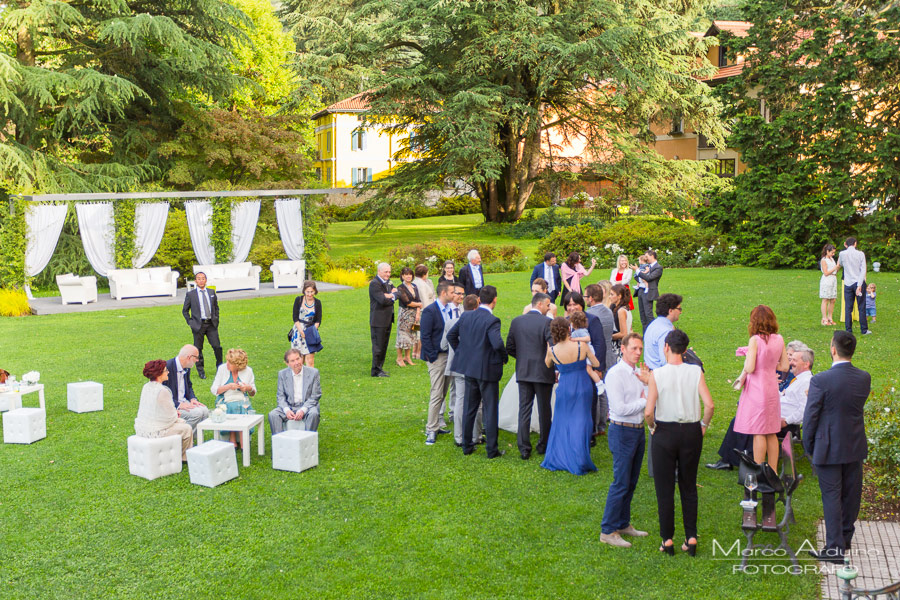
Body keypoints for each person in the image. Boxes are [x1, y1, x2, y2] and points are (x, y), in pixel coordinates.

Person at [644, 329, 714, 557]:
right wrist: (703, 425)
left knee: (664, 488)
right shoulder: (695, 371)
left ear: (666, 347)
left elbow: (648, 412)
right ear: (685, 351)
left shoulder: (657, 373)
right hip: (691, 431)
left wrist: (653, 428)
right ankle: (691, 537)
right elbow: (710, 405)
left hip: (664, 431)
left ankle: (667, 539)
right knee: (688, 485)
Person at [804, 331, 870, 564]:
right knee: (851, 495)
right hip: (854, 444)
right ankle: (845, 538)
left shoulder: (820, 380)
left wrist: (808, 445)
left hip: (828, 446)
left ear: (833, 349)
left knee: (832, 497)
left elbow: (811, 416)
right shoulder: (864, 377)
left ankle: (834, 548)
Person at [707, 340, 808, 471]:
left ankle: (742, 460)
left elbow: (801, 408)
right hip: (773, 410)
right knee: (741, 420)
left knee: (748, 423)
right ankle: (736, 458)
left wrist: (786, 419)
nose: (789, 359)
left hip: (781, 418)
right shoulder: (787, 373)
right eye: (788, 355)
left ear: (805, 363)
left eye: (793, 357)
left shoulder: (799, 379)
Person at [600, 333, 651, 548]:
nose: (638, 352)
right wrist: (644, 401)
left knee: (631, 481)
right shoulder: (615, 374)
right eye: (634, 348)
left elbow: (650, 400)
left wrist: (648, 385)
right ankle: (608, 530)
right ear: (623, 348)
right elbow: (619, 409)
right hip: (622, 431)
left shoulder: (639, 373)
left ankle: (622, 523)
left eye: (640, 349)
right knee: (620, 482)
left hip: (638, 431)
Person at [447, 285, 508, 458]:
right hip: (487, 369)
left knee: (469, 407)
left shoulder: (466, 315)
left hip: (469, 368)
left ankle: (467, 445)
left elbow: (451, 335)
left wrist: (463, 352)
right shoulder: (492, 320)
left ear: (479, 299)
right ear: (495, 300)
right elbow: (497, 343)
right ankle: (491, 449)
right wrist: (503, 357)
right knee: (490, 409)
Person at [541, 316, 600, 475]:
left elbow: (547, 364)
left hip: (565, 387)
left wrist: (549, 349)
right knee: (582, 420)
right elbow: (596, 364)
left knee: (563, 420)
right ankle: (580, 456)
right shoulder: (582, 345)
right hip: (582, 385)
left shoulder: (552, 350)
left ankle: (562, 454)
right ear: (569, 330)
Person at [733, 305, 788, 472]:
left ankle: (759, 471)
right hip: (771, 386)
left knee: (758, 431)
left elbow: (750, 368)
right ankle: (773, 471)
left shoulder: (755, 340)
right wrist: (770, 363)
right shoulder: (779, 339)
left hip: (757, 388)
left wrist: (750, 355)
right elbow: (785, 366)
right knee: (771, 431)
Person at [505, 292, 554, 459]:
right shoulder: (547, 322)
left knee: (524, 409)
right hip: (543, 371)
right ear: (539, 304)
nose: (549, 308)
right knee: (544, 409)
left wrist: (523, 358)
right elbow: (552, 347)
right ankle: (543, 445)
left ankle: (524, 448)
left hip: (524, 371)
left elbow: (510, 346)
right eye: (548, 305)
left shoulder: (517, 321)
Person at [564, 291, 608, 438]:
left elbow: (600, 344)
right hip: (571, 368)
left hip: (588, 365)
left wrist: (598, 368)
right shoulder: (565, 321)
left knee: (589, 400)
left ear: (581, 304)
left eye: (575, 304)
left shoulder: (592, 320)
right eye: (569, 305)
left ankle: (590, 432)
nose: (572, 307)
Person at [445, 290, 483, 447]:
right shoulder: (478, 322)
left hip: (459, 365)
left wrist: (458, 351)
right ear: (476, 307)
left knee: (460, 400)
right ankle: (475, 435)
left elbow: (446, 341)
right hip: (471, 366)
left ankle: (460, 436)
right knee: (475, 401)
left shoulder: (451, 322)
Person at [135, 360, 193, 461]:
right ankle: (183, 457)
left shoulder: (146, 386)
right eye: (166, 370)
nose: (168, 372)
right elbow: (170, 417)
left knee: (181, 424)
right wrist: (176, 415)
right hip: (154, 431)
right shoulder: (163, 391)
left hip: (141, 428)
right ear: (159, 374)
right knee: (186, 428)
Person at [420, 281, 455, 445]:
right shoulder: (430, 311)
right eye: (452, 292)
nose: (454, 295)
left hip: (449, 356)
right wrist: (433, 357)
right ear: (443, 293)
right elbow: (425, 336)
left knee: (443, 392)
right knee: (436, 393)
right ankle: (431, 429)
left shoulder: (449, 310)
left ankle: (436, 424)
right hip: (437, 358)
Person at [210, 348, 257, 448]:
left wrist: (248, 388)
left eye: (230, 362)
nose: (227, 364)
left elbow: (252, 392)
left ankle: (235, 439)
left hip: (242, 399)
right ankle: (238, 440)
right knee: (233, 405)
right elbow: (214, 390)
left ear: (238, 365)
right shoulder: (222, 369)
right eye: (227, 361)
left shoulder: (248, 371)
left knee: (239, 404)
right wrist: (228, 387)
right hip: (224, 400)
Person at [268, 348, 321, 434]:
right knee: (273, 414)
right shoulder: (282, 374)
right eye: (292, 361)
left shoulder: (313, 373)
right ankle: (280, 444)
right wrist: (286, 410)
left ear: (302, 358)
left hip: (307, 406)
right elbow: (280, 396)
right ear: (287, 363)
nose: (296, 363)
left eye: (298, 359)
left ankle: (306, 443)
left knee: (313, 414)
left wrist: (303, 410)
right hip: (290, 406)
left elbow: (316, 395)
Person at [182, 272, 222, 379]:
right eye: (198, 279)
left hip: (211, 324)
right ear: (195, 281)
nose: (201, 280)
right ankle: (201, 371)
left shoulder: (211, 292)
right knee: (198, 349)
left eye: (203, 278)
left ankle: (220, 367)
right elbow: (185, 310)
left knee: (217, 346)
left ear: (206, 280)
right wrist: (191, 323)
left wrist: (216, 318)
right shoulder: (191, 294)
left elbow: (216, 307)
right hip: (198, 325)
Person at [163, 344, 209, 431]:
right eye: (196, 357)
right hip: (173, 405)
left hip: (184, 401)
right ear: (189, 357)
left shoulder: (187, 367)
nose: (197, 360)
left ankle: (196, 439)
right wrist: (178, 404)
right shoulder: (167, 368)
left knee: (205, 411)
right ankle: (183, 437)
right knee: (197, 414)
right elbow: (162, 395)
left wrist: (193, 398)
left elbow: (189, 385)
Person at [369, 262, 398, 377]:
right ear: (379, 271)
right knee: (378, 346)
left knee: (384, 345)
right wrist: (391, 295)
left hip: (387, 319)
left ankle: (380, 368)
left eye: (389, 272)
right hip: (378, 320)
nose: (388, 274)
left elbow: (398, 293)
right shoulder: (375, 284)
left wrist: (391, 295)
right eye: (386, 272)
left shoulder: (388, 282)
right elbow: (382, 300)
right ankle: (375, 370)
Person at [838, 237, 870, 335]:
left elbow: (841, 264)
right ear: (855, 244)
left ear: (846, 244)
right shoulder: (860, 254)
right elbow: (863, 269)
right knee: (861, 306)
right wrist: (860, 284)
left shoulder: (842, 254)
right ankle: (864, 330)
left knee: (848, 307)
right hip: (858, 282)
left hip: (847, 283)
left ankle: (848, 330)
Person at [779, 347, 813, 435]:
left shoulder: (806, 382)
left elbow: (804, 409)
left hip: (785, 424)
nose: (790, 363)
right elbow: (786, 398)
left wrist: (786, 421)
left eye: (794, 360)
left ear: (806, 364)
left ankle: (745, 447)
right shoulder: (799, 379)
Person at [643, 294, 682, 370]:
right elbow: (666, 360)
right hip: (660, 375)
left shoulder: (654, 324)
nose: (680, 312)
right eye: (679, 309)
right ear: (670, 311)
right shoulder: (666, 331)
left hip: (651, 371)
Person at [585, 283, 616, 373]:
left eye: (585, 296)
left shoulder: (589, 314)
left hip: (596, 358)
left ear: (590, 298)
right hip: (609, 356)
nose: (584, 298)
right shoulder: (609, 311)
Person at [291, 281, 323, 367]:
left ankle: (310, 380)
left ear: (315, 291)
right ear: (304, 291)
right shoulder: (298, 300)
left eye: (312, 291)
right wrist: (301, 331)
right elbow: (295, 318)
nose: (310, 294)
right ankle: (298, 379)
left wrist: (311, 331)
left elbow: (318, 320)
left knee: (310, 360)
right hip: (298, 331)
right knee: (298, 361)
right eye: (308, 292)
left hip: (311, 331)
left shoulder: (317, 303)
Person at [395, 267, 422, 367]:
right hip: (405, 315)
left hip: (415, 316)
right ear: (402, 276)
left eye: (410, 274)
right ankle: (399, 358)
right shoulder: (400, 288)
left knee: (412, 335)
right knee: (402, 336)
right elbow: (407, 302)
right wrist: (419, 305)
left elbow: (419, 300)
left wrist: (418, 312)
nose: (408, 276)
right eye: (406, 274)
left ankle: (407, 357)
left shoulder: (414, 286)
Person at [635, 251, 663, 333]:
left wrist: (638, 271)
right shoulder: (645, 266)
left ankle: (655, 332)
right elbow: (637, 278)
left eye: (646, 256)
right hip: (641, 290)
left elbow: (649, 278)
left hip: (649, 292)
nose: (645, 258)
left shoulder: (658, 267)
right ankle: (646, 335)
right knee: (642, 315)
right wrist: (638, 275)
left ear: (652, 256)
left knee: (648, 314)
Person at [819, 244, 839, 326]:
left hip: (833, 280)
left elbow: (835, 270)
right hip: (827, 281)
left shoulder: (832, 259)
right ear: (827, 251)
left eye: (834, 253)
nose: (833, 254)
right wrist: (835, 268)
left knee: (833, 299)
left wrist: (837, 268)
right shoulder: (824, 260)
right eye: (832, 252)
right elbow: (826, 272)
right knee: (825, 299)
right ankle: (824, 319)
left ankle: (830, 317)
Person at [610, 284, 633, 355]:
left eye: (612, 294)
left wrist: (609, 337)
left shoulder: (621, 311)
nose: (609, 297)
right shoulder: (625, 308)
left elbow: (623, 333)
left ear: (619, 296)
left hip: (619, 346)